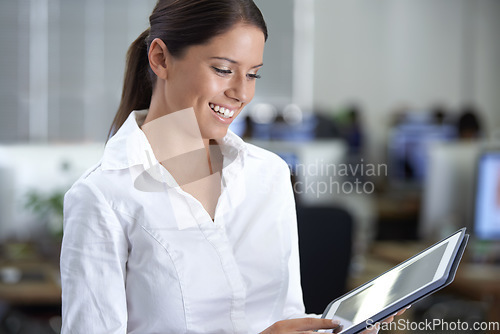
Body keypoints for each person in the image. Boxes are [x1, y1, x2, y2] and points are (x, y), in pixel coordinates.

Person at [60, 0, 405, 333]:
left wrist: (335, 330)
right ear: (161, 59)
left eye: (253, 74)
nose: (242, 92)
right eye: (223, 70)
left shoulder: (268, 175)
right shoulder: (103, 196)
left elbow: (286, 316)